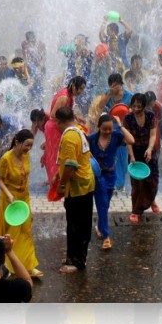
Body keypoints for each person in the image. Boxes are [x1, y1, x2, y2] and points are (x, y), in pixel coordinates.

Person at [0, 130, 42, 279]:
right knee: (11, 234)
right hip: (9, 201)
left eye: (31, 146)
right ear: (17, 142)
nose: (28, 149)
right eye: (26, 145)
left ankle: (29, 265)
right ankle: (6, 265)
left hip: (24, 199)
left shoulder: (26, 156)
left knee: (26, 231)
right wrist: (9, 194)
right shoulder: (6, 159)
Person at [55, 105, 96, 274]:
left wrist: (62, 184)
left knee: (77, 225)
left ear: (60, 121)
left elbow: (71, 166)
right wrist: (58, 175)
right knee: (78, 223)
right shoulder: (78, 129)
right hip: (85, 183)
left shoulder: (70, 136)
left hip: (78, 187)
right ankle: (72, 256)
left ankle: (77, 262)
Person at [87, 112, 135, 251]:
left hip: (111, 175)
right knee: (102, 203)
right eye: (105, 129)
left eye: (110, 128)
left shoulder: (116, 137)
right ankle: (106, 237)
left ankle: (100, 227)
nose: (108, 132)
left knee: (105, 204)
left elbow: (131, 140)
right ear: (99, 128)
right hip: (98, 176)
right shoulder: (92, 139)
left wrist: (120, 126)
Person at [122, 93, 161, 223]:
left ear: (144, 106)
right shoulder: (128, 118)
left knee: (152, 181)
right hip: (134, 152)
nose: (136, 108)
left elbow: (153, 135)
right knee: (137, 184)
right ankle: (136, 211)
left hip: (149, 152)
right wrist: (132, 156)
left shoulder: (150, 116)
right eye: (134, 106)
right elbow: (127, 140)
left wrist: (150, 149)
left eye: (139, 106)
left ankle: (151, 200)